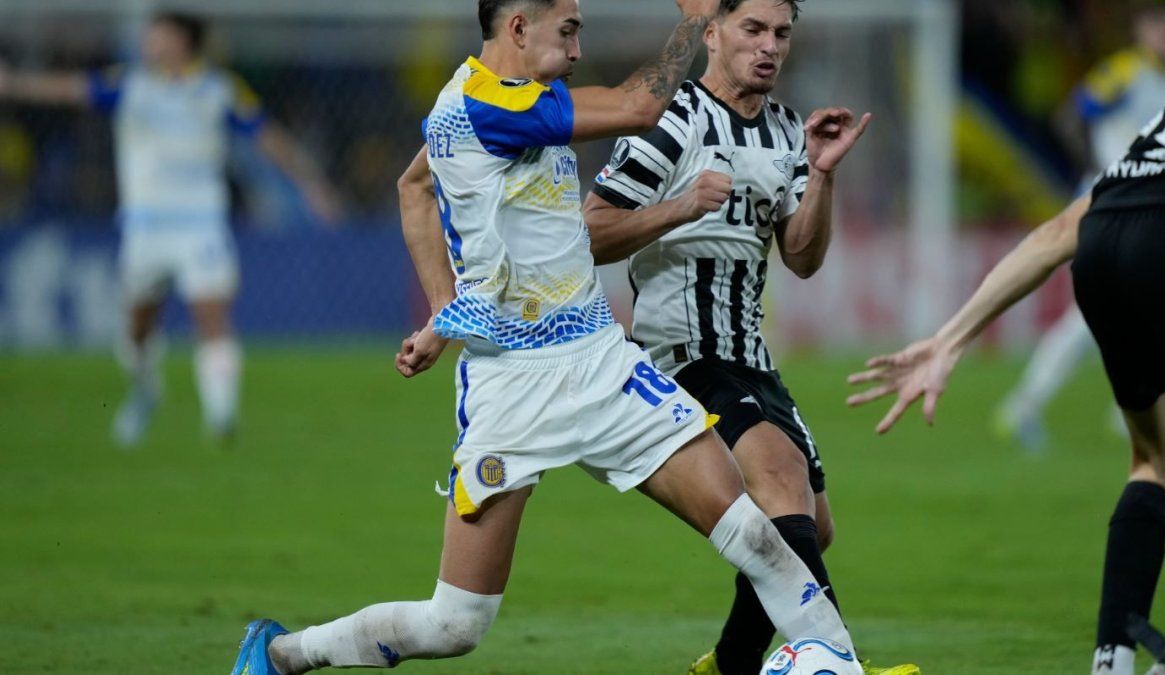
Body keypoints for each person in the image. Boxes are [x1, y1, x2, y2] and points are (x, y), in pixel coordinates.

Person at [229, 1, 859, 673]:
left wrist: (445, 311)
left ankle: (840, 662)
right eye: (569, 31)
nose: (579, 50)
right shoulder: (482, 106)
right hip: (512, 384)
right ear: (518, 28)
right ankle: (283, 653)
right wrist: (691, 22)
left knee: (754, 532)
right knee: (455, 623)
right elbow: (638, 107)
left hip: (600, 362)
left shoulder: (492, 101)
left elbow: (414, 187)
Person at [583, 2, 915, 674]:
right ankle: (836, 661)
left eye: (782, 34)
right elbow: (588, 231)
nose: (770, 46)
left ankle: (731, 663)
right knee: (782, 482)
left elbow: (803, 257)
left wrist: (822, 173)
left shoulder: (789, 130)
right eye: (753, 30)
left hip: (750, 358)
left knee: (813, 526)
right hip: (681, 352)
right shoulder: (673, 121)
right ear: (712, 34)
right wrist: (680, 207)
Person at [848, 84, 1165, 675]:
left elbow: (1060, 233)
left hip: (1104, 246)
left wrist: (949, 339)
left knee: (1159, 462)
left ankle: (1111, 662)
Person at [0, 12, 339, 446]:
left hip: (201, 223)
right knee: (138, 328)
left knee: (212, 314)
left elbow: (267, 136)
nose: (149, 43)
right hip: (146, 227)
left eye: (158, 36)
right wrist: (15, 84)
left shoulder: (218, 89)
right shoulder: (130, 84)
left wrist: (311, 184)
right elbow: (71, 89)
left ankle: (221, 417)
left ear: (182, 41)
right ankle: (146, 389)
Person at [994, 0, 1165, 451]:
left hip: (1147, 210)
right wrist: (1098, 171)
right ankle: (1031, 405)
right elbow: (1072, 115)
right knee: (1109, 312)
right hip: (1111, 206)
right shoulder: (1126, 71)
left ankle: (1126, 409)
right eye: (1160, 24)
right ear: (1142, 29)